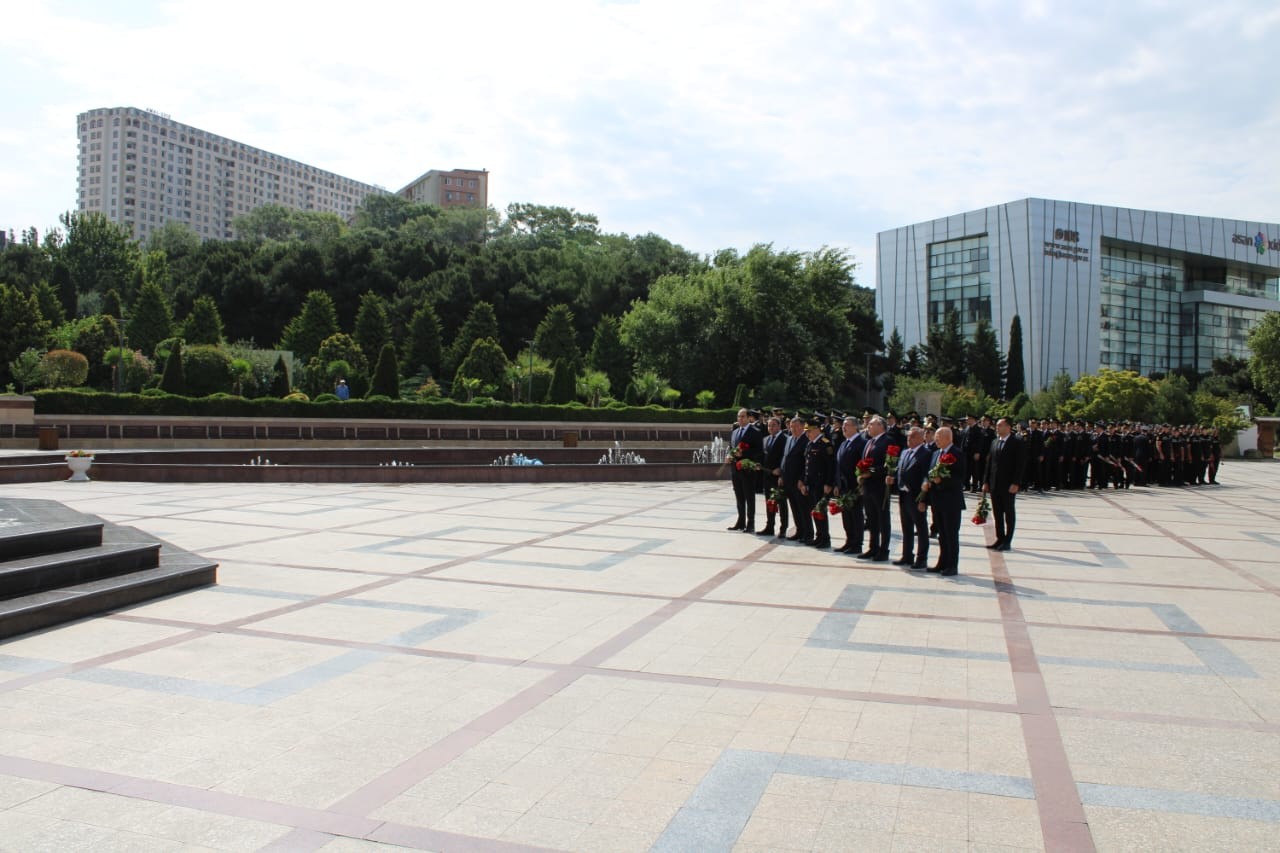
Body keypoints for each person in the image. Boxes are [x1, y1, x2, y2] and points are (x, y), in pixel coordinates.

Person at [918, 426, 967, 576]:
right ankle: (942, 562)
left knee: (951, 534)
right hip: (937, 501)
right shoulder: (935, 454)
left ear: (948, 437)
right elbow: (929, 472)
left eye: (938, 437)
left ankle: (952, 565)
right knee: (942, 534)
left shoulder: (957, 453)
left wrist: (943, 481)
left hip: (951, 501)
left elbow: (960, 477)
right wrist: (926, 482)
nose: (935, 439)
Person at [983, 417, 1027, 552]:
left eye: (1000, 425)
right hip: (995, 484)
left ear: (1008, 427)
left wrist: (1016, 483)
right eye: (997, 425)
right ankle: (999, 538)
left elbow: (1020, 464)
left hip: (1008, 485)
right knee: (997, 513)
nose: (997, 428)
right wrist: (985, 481)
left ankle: (1008, 540)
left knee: (1008, 513)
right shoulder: (995, 442)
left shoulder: (1017, 442)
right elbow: (989, 464)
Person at [893, 426, 930, 569]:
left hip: (916, 496)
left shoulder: (925, 453)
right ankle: (907, 555)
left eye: (913, 436)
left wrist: (923, 499)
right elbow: (900, 470)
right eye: (909, 436)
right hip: (904, 495)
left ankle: (922, 558)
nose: (909, 438)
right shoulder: (904, 452)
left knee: (920, 528)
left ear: (921, 438)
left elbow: (926, 476)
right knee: (906, 527)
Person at [858, 415, 892, 562]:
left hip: (879, 486)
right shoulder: (869, 442)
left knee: (882, 519)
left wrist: (870, 472)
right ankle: (873, 547)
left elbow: (888, 466)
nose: (868, 426)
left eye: (871, 424)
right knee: (871, 518)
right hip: (868, 486)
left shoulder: (887, 441)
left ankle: (884, 550)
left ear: (881, 426)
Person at [799, 415, 835, 548]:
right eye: (806, 431)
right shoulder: (810, 444)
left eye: (809, 431)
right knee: (814, 511)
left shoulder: (825, 444)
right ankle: (819, 536)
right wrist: (803, 481)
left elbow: (830, 466)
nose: (807, 434)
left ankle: (825, 538)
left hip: (821, 484)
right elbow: (807, 465)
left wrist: (829, 483)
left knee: (821, 511)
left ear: (816, 430)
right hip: (811, 483)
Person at [833, 415, 867, 554]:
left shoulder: (861, 443)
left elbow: (864, 465)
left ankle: (857, 543)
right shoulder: (843, 443)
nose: (843, 428)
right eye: (843, 425)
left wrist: (861, 484)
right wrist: (836, 484)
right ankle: (849, 540)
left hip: (854, 486)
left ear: (855, 427)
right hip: (843, 486)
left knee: (856, 516)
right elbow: (838, 466)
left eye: (847, 425)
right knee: (846, 516)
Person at [727, 408, 764, 531]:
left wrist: (744, 453)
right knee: (739, 496)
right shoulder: (735, 432)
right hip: (735, 470)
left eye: (743, 416)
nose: (740, 419)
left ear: (749, 418)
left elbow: (759, 451)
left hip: (747, 469)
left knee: (749, 497)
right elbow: (730, 447)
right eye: (739, 416)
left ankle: (751, 523)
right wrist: (729, 455)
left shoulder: (755, 432)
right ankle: (740, 521)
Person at [780, 416, 811, 542]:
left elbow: (806, 463)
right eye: (791, 426)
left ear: (803, 426)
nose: (793, 429)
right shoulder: (789, 439)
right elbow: (785, 458)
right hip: (788, 480)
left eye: (796, 426)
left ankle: (808, 533)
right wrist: (782, 475)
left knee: (803, 508)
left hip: (798, 481)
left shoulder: (806, 440)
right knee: (794, 507)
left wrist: (802, 479)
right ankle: (799, 530)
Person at [757, 416, 787, 536]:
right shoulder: (766, 439)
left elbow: (785, 457)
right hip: (767, 476)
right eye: (769, 425)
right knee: (770, 502)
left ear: (779, 426)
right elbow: (764, 456)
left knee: (781, 503)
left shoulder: (785, 439)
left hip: (778, 477)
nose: (771, 428)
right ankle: (769, 526)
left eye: (773, 425)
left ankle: (783, 528)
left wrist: (781, 471)